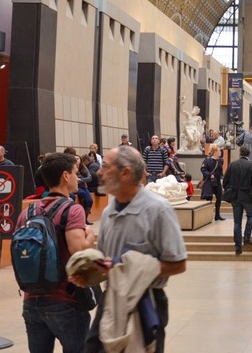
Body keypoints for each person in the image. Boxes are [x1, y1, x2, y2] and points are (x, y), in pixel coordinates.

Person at [80, 145, 187, 353]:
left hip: (146, 302)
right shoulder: (109, 211)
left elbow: (178, 264)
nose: (99, 173)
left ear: (125, 172)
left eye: (105, 167)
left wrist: (130, 266)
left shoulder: (158, 210)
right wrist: (87, 273)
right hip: (111, 299)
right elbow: (106, 263)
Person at [17, 152, 96, 353]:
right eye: (75, 173)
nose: (78, 177)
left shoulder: (27, 213)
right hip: (64, 301)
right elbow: (78, 252)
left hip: (31, 301)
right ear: (65, 176)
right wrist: (90, 238)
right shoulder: (73, 210)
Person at [223, 144, 252, 255]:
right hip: (248, 197)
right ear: (248, 153)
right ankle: (247, 238)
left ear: (240, 153)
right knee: (251, 216)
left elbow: (225, 181)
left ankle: (238, 246)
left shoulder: (232, 165)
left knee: (237, 222)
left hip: (235, 196)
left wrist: (230, 190)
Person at [199, 144, 225, 220]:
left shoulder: (220, 160)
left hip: (217, 182)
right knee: (209, 199)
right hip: (209, 182)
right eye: (219, 150)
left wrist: (221, 176)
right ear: (215, 151)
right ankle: (209, 215)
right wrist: (209, 174)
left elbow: (220, 171)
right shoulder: (207, 160)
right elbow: (203, 169)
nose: (220, 152)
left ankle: (217, 215)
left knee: (219, 198)